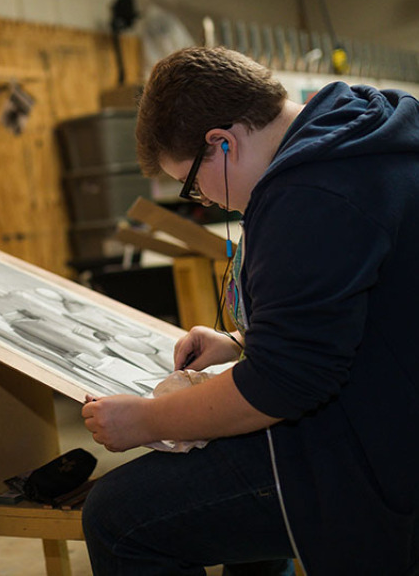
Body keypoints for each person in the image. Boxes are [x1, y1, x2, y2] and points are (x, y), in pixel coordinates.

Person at [81, 46, 419, 575]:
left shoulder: (309, 194)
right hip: (389, 409)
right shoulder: (363, 130)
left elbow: (285, 385)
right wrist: (241, 343)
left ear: (222, 142)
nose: (207, 201)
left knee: (117, 516)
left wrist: (144, 420)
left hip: (381, 463)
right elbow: (363, 311)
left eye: (192, 184)